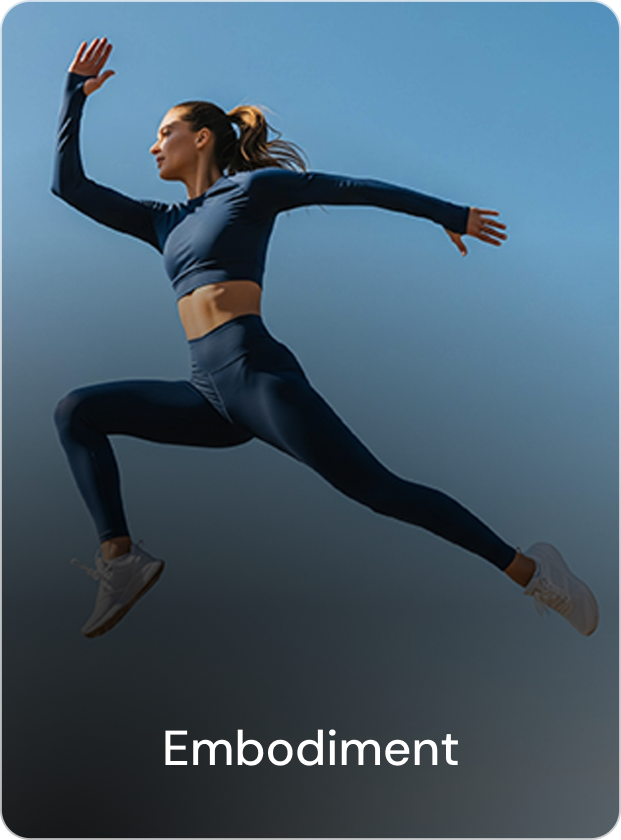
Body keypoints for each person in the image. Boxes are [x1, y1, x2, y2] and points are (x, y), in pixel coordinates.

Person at [52, 38, 598, 639]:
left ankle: (533, 572)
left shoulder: (250, 192)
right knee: (78, 411)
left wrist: (448, 212)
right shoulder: (164, 222)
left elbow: (350, 189)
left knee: (380, 491)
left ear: (201, 137)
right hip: (207, 393)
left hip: (258, 377)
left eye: (165, 132)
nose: (154, 145)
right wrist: (74, 94)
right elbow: (69, 187)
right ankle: (120, 560)